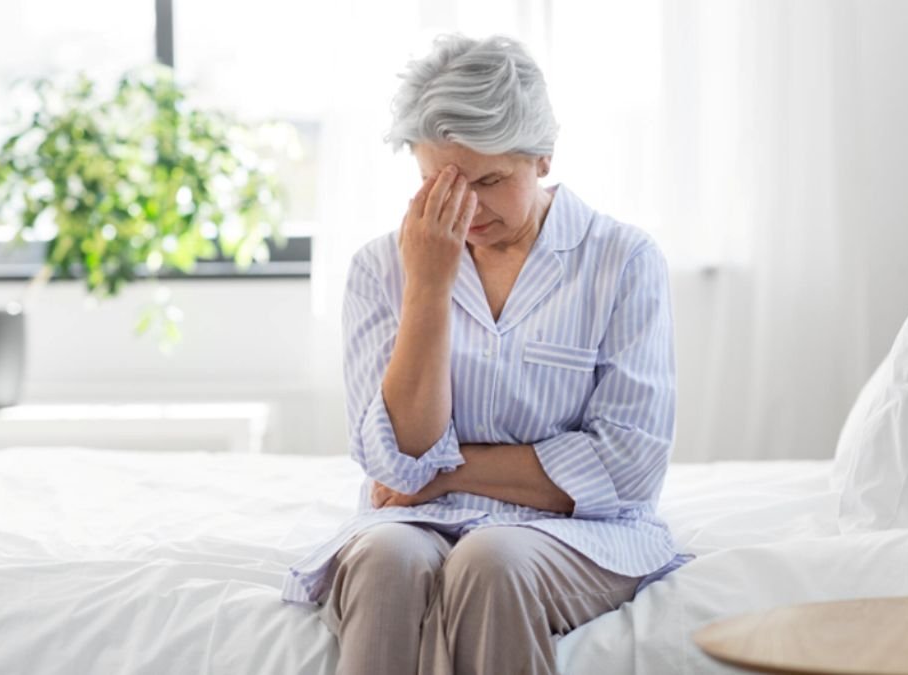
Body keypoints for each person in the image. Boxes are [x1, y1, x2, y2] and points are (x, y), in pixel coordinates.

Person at [281, 33, 688, 675]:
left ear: (544, 157)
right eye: (437, 185)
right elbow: (395, 463)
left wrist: (447, 473)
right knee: (385, 560)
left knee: (492, 559)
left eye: (490, 180)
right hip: (411, 529)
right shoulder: (382, 268)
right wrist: (429, 285)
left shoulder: (622, 262)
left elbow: (628, 467)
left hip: (578, 538)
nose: (464, 210)